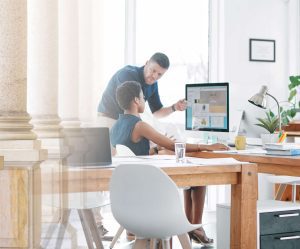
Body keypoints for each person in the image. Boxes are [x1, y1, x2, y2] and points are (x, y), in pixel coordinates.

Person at [110, 81, 230, 245]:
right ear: (136, 101)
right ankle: (195, 227)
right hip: (150, 190)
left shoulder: (115, 126)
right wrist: (206, 146)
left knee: (192, 181)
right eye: (143, 97)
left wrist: (155, 150)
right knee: (199, 179)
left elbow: (131, 154)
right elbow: (172, 145)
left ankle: (193, 227)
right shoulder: (140, 125)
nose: (144, 101)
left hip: (131, 192)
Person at [97, 52, 186, 128]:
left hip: (123, 121)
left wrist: (174, 107)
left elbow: (157, 112)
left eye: (160, 74)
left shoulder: (153, 84)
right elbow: (131, 108)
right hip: (108, 118)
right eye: (153, 70)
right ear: (146, 63)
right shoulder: (127, 74)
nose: (155, 76)